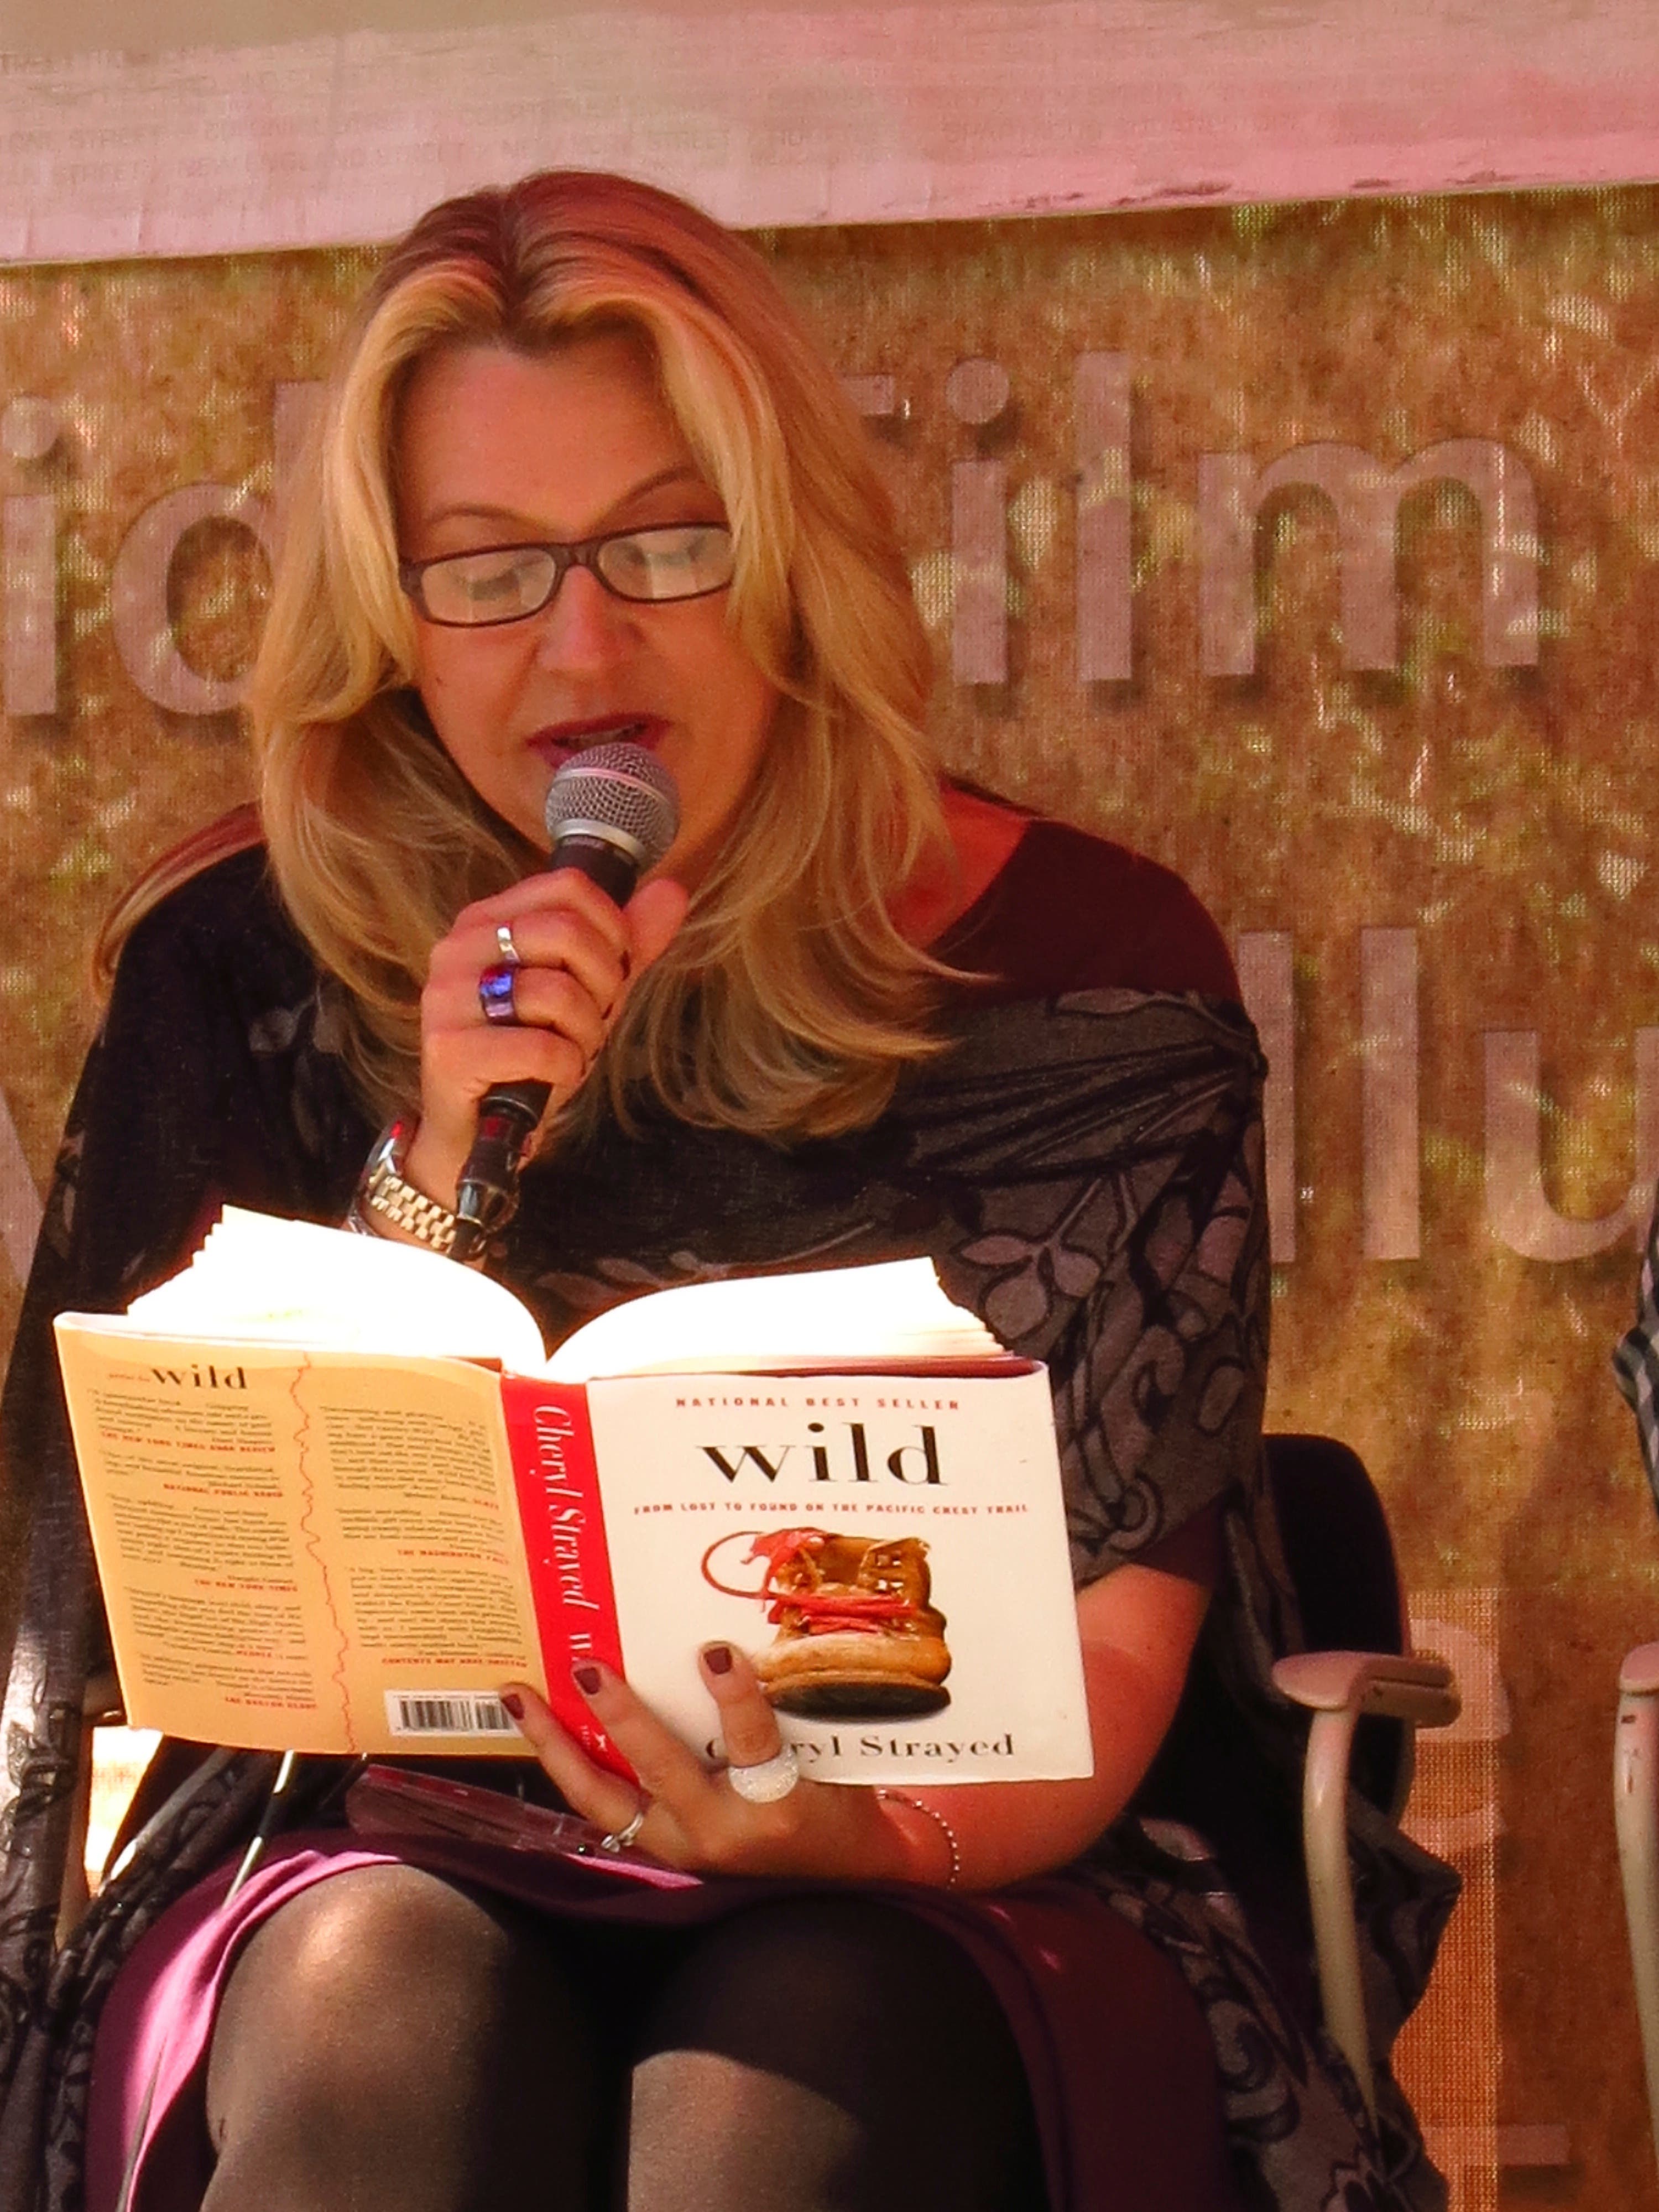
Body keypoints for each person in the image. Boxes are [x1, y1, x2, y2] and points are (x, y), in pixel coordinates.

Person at [0, 171, 1457, 2212]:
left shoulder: (1088, 968)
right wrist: (434, 1164)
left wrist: (861, 1833)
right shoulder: (239, 966)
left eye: (666, 545)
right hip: (374, 1842)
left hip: (952, 1863)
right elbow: (163, 1622)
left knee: (809, 2052)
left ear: (789, 559)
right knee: (372, 2001)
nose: (586, 641)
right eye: (490, 570)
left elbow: (1120, 1641)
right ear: (392, 621)